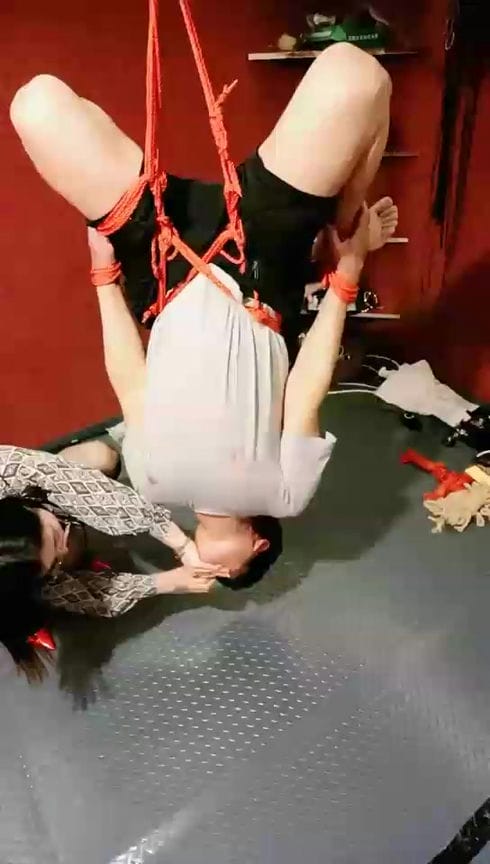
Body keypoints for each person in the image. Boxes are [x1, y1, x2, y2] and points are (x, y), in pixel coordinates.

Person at [10, 42, 397, 580]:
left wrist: (103, 279)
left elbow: (131, 382)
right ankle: (342, 222)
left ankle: (139, 171)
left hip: (161, 267)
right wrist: (348, 270)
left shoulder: (152, 485)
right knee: (358, 74)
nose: (210, 573)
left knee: (35, 104)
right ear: (257, 545)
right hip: (260, 265)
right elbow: (307, 387)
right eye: (227, 576)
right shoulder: (285, 496)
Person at [0, 444, 228, 680]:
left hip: (32, 494)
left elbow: (75, 485)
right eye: (53, 562)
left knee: (100, 458)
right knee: (62, 572)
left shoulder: (6, 468)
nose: (63, 548)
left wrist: (180, 542)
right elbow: (94, 597)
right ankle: (24, 618)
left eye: (56, 538)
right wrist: (167, 582)